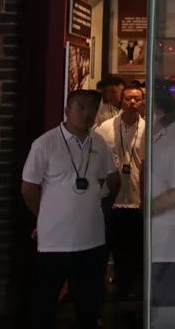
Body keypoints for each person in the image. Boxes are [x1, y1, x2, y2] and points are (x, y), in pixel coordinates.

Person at [22, 90, 120, 329]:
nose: (87, 114)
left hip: (91, 239)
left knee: (89, 306)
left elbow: (108, 179)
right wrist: (45, 216)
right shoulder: (45, 143)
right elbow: (29, 188)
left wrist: (95, 202)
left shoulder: (99, 142)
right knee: (45, 304)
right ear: (67, 110)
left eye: (92, 109)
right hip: (55, 241)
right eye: (81, 107)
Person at [94, 84, 145, 301]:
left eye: (137, 99)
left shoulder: (149, 129)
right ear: (121, 101)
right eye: (128, 98)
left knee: (133, 251)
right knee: (106, 246)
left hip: (138, 199)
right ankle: (102, 294)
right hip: (111, 199)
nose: (132, 102)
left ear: (143, 102)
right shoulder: (104, 129)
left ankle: (131, 294)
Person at [149, 89, 175, 328]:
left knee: (169, 305)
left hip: (168, 233)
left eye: (149, 108)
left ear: (160, 112)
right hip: (149, 233)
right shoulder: (147, 138)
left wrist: (147, 209)